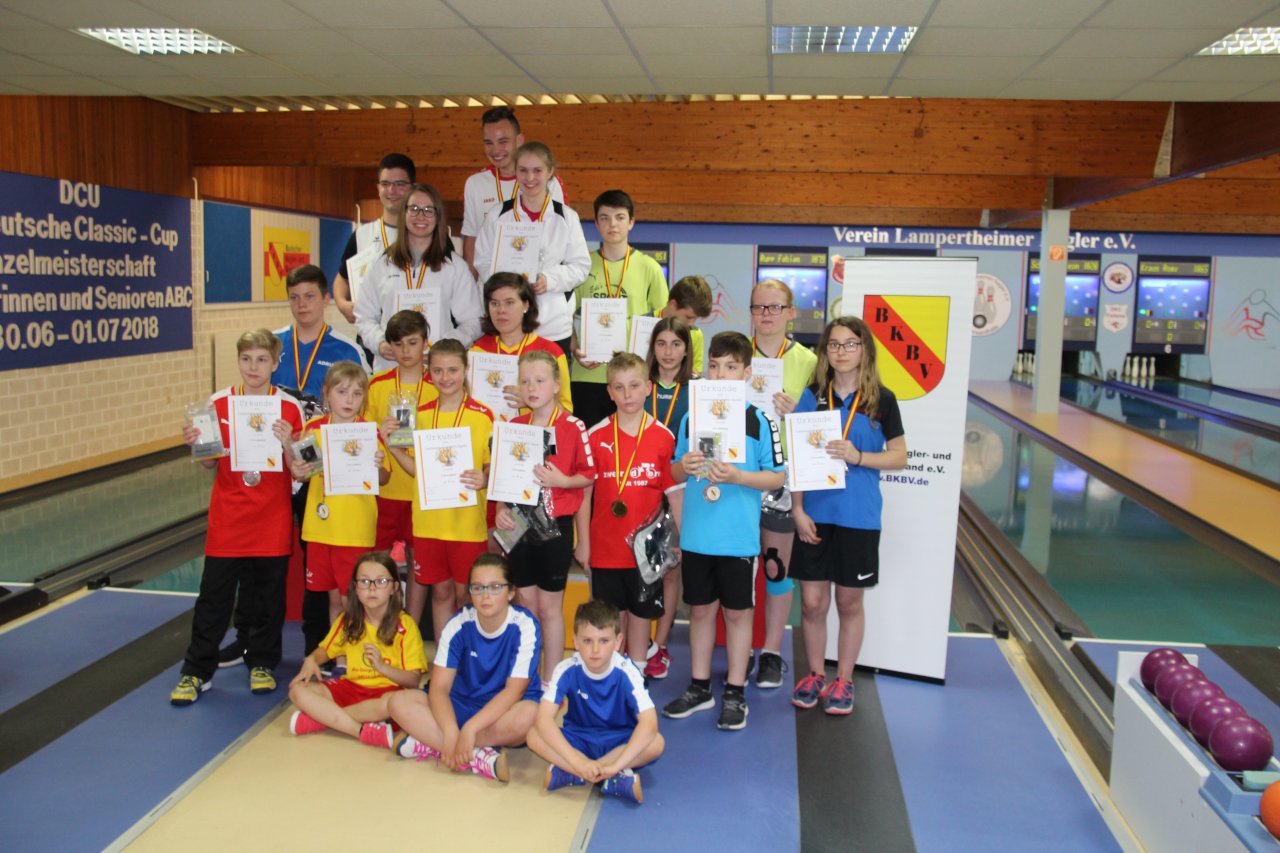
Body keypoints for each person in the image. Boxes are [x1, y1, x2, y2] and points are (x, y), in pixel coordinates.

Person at [215, 264, 366, 670]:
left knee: (316, 560)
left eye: (310, 296)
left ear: (326, 299)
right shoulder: (274, 344)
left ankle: (318, 645)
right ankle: (246, 638)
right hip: (274, 469)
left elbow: (360, 405)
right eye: (294, 297)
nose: (302, 305)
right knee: (258, 560)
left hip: (319, 472)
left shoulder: (346, 349)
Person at [170, 329, 304, 706]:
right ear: (239, 361)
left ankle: (261, 663)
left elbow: (300, 470)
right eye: (246, 359)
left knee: (267, 599)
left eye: (261, 360)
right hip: (228, 519)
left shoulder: (289, 407)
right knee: (213, 598)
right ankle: (197, 670)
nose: (253, 367)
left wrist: (289, 443)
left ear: (275, 364)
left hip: (271, 518)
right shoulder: (217, 404)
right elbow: (209, 462)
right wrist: (196, 444)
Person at [662, 332, 784, 731]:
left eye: (731, 366)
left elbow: (777, 477)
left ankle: (734, 690)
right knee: (699, 611)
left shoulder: (760, 420)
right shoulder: (692, 416)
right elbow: (674, 471)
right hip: (698, 535)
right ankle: (700, 686)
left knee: (737, 613)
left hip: (737, 538)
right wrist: (685, 466)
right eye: (714, 366)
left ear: (747, 373)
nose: (720, 374)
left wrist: (739, 477)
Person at [790, 317, 906, 715]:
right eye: (834, 345)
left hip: (859, 516)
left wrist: (858, 457)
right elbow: (799, 458)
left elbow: (900, 456)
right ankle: (815, 674)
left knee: (849, 603)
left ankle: (844, 679)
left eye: (850, 344)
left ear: (864, 350)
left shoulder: (882, 399)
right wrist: (798, 509)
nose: (841, 351)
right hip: (816, 514)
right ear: (825, 352)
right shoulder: (812, 396)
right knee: (812, 603)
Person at [388, 554, 541, 783]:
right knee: (397, 702)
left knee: (530, 715)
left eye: (495, 587)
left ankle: (436, 744)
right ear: (469, 592)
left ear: (511, 592)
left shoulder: (525, 626)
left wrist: (470, 729)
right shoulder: (458, 624)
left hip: (504, 710)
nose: (485, 596)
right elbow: (439, 688)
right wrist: (451, 730)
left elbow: (514, 691)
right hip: (461, 703)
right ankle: (478, 756)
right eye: (477, 588)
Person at [494, 350, 594, 685]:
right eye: (525, 381)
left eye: (539, 380)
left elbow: (589, 475)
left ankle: (550, 680)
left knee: (550, 609)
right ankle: (526, 679)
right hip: (519, 526)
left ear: (556, 385)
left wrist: (564, 481)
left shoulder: (573, 426)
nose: (532, 387)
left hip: (556, 527)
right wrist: (500, 510)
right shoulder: (513, 427)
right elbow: (502, 481)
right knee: (525, 607)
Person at [384, 339, 493, 646]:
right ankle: (446, 659)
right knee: (441, 592)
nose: (446, 378)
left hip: (466, 524)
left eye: (453, 370)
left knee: (466, 593)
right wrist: (393, 446)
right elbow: (416, 470)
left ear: (466, 369)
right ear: (428, 372)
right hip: (429, 523)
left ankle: (471, 658)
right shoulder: (417, 415)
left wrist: (484, 478)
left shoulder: (483, 415)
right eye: (438, 370)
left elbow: (492, 466)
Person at [580, 353, 676, 671]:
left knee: (641, 614)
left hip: (647, 551)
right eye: (619, 388)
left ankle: (636, 672)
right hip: (605, 548)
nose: (627, 395)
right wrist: (583, 543)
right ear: (609, 392)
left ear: (648, 387)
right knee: (610, 618)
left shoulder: (664, 437)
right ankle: (611, 674)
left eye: (634, 386)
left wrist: (677, 541)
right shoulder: (595, 436)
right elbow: (585, 494)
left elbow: (672, 495)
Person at [747, 279, 819, 690]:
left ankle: (771, 652)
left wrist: (798, 415)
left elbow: (821, 428)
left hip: (784, 477)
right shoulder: (736, 354)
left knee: (776, 566)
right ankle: (741, 646)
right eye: (759, 307)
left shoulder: (809, 362)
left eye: (775, 307)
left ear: (790, 312)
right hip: (740, 474)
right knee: (741, 566)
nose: (766, 315)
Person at [529, 600, 665, 804]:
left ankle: (578, 772)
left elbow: (649, 723)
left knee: (656, 743)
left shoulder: (627, 672)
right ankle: (608, 777)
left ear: (618, 642)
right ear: (575, 641)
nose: (595, 650)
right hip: (579, 740)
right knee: (533, 735)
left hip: (618, 741)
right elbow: (543, 720)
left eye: (604, 641)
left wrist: (612, 765)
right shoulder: (566, 669)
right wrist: (579, 762)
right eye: (587, 641)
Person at [287, 552, 426, 745]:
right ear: (355, 588)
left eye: (381, 581)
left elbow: (413, 680)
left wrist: (382, 667)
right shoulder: (348, 621)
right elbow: (325, 650)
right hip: (350, 688)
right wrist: (312, 660)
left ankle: (322, 719)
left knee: (399, 701)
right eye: (364, 582)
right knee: (297, 690)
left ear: (394, 587)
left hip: (386, 694)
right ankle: (360, 731)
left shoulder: (406, 625)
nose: (372, 588)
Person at [292, 361, 391, 625]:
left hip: (354, 529)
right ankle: (339, 650)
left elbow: (384, 478)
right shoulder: (313, 429)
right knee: (334, 599)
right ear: (326, 393)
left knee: (353, 599)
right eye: (342, 392)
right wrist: (298, 468)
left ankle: (359, 648)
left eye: (357, 394)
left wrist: (378, 466)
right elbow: (304, 474)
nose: (349, 400)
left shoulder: (369, 432)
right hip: (321, 527)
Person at [474, 141, 590, 357]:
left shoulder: (566, 217)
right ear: (515, 171)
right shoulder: (498, 215)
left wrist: (549, 279)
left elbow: (581, 267)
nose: (529, 178)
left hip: (552, 326)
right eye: (523, 170)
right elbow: (482, 261)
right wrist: (510, 286)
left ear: (550, 172)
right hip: (508, 326)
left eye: (537, 170)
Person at [356, 183, 483, 373]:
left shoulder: (455, 266)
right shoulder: (381, 264)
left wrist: (444, 346)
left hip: (437, 373)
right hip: (390, 369)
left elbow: (473, 322)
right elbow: (364, 317)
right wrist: (380, 343)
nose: (421, 216)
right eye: (414, 209)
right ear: (404, 213)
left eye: (428, 210)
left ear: (438, 216)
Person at [569, 189, 669, 429]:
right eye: (604, 218)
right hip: (588, 375)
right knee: (589, 445)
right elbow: (567, 317)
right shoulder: (581, 265)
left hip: (631, 379)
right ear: (596, 223)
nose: (612, 224)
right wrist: (573, 347)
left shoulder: (649, 267)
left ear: (631, 222)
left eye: (620, 217)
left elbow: (664, 321)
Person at [367, 310, 437, 629]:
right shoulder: (377, 385)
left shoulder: (439, 385)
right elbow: (367, 435)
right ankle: (380, 624)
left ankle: (410, 626)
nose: (406, 351)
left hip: (422, 493)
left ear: (425, 342)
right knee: (379, 560)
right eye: (398, 344)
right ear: (389, 348)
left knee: (417, 560)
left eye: (412, 342)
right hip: (387, 488)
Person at [640, 317, 694, 680]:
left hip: (678, 487)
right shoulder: (640, 385)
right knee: (641, 568)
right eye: (661, 343)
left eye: (676, 344)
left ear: (686, 349)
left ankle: (660, 644)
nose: (668, 352)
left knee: (671, 569)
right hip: (641, 485)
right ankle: (638, 640)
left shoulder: (696, 392)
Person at [461, 106, 567, 277]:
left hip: (539, 283)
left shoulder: (549, 182)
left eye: (503, 141)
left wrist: (551, 280)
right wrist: (471, 284)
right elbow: (472, 237)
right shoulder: (475, 184)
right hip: (494, 284)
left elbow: (562, 234)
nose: (495, 150)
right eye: (488, 143)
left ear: (519, 140)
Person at [470, 272, 573, 417]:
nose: (501, 310)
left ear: (525, 305)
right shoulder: (477, 351)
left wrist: (532, 401)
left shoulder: (551, 352)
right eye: (494, 303)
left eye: (509, 302)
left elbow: (566, 413)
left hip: (535, 431)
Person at [332, 152, 416, 325]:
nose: (391, 190)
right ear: (378, 188)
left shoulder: (429, 235)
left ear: (412, 188)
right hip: (371, 332)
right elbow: (342, 277)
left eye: (400, 184)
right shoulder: (361, 235)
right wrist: (342, 304)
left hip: (416, 333)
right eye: (385, 184)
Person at [657, 275, 713, 376]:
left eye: (695, 318)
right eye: (688, 317)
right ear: (673, 305)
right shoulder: (635, 325)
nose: (691, 324)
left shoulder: (695, 334)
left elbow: (695, 375)